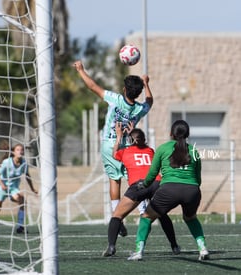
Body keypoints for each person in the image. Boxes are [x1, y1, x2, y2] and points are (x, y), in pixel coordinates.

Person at [73, 60, 153, 236]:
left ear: (124, 89)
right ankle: (143, 211)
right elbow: (150, 101)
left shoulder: (115, 99)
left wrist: (80, 70)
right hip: (129, 148)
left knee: (113, 180)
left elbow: (93, 86)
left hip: (111, 146)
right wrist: (146, 83)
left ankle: (117, 216)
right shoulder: (139, 109)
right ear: (138, 93)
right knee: (135, 179)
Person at [127, 120, 209, 261]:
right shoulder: (194, 151)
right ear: (187, 134)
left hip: (169, 190)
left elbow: (152, 174)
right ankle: (203, 248)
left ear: (171, 133)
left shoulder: (163, 148)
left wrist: (144, 185)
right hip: (192, 190)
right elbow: (198, 179)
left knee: (146, 216)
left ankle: (138, 252)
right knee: (190, 218)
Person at [102, 122, 180, 257]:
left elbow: (115, 154)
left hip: (139, 186)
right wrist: (134, 132)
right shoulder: (150, 151)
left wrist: (120, 136)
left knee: (117, 216)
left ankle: (111, 247)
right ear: (144, 140)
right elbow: (142, 144)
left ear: (130, 140)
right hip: (157, 183)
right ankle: (174, 246)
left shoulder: (125, 152)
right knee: (162, 215)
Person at [0, 143, 38, 233]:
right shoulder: (7, 162)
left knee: (22, 201)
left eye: (22, 150)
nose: (20, 151)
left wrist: (32, 188)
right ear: (13, 152)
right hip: (1, 187)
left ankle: (20, 226)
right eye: (18, 150)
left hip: (13, 188)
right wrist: (2, 185)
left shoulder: (24, 163)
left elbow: (27, 175)